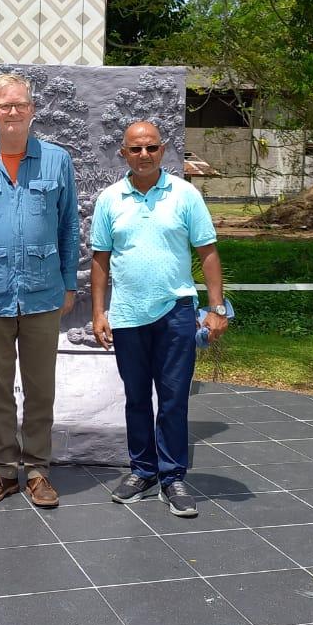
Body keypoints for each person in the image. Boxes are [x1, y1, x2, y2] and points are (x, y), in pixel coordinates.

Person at [90, 121, 228, 518]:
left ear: (163, 149)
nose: (144, 155)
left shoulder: (185, 195)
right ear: (123, 153)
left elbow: (208, 253)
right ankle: (142, 471)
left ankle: (173, 477)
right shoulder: (110, 199)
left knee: (172, 399)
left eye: (151, 147)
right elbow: (100, 259)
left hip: (176, 312)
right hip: (129, 315)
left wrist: (216, 308)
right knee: (135, 399)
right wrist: (100, 312)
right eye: (136, 149)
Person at [0, 73, 79, 508]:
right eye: (4, 105)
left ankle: (39, 469)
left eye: (20, 105)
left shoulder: (57, 160)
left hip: (44, 293)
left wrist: (68, 284)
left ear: (32, 109)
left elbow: (68, 226)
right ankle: (4, 471)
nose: (12, 112)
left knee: (40, 386)